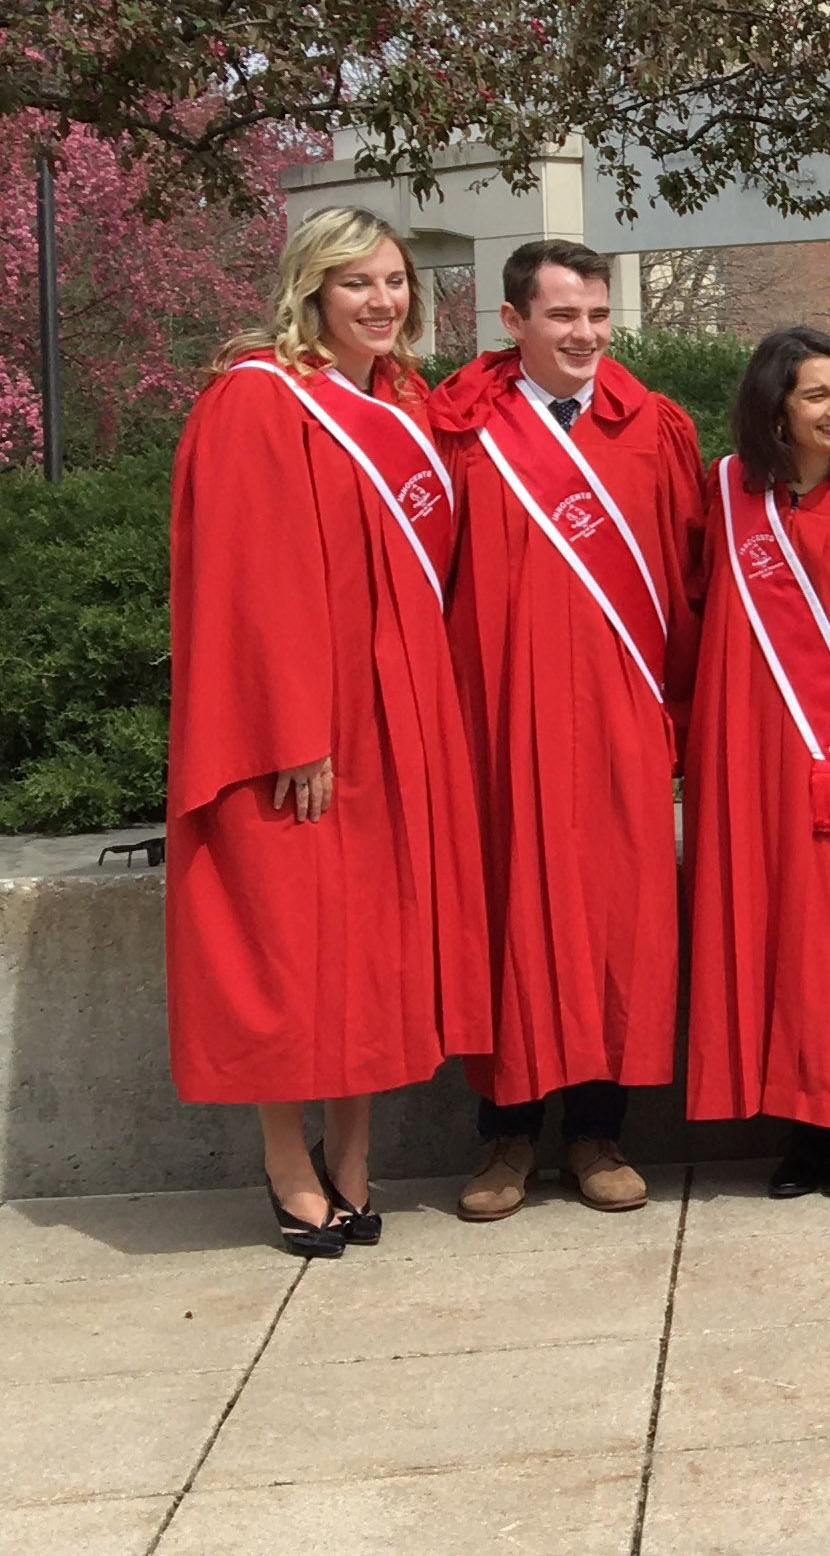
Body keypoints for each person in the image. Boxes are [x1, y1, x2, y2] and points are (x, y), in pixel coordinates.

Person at [168, 206, 491, 1257]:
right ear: (312, 288)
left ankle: (354, 1155)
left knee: (376, 944)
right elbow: (249, 583)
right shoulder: (259, 400)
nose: (383, 302)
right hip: (308, 726)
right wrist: (292, 729)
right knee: (294, 943)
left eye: (395, 282)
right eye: (358, 284)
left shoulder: (399, 400)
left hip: (404, 713)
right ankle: (284, 1162)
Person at [428, 241, 707, 1218]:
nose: (585, 334)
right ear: (513, 323)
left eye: (596, 315)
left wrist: (680, 720)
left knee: (611, 922)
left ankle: (597, 1131)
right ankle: (506, 1135)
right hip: (499, 721)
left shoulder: (655, 429)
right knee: (509, 912)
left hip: (619, 720)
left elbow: (688, 583)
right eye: (562, 317)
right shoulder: (463, 431)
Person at [683, 329, 830, 1196]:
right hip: (750, 746)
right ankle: (792, 1125)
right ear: (774, 407)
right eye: (814, 394)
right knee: (771, 927)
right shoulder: (728, 493)